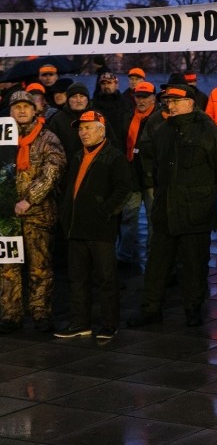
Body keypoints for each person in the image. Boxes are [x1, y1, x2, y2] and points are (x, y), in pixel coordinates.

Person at [127, 84, 217, 328]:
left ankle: (193, 309)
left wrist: (205, 196)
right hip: (165, 209)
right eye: (168, 101)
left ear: (190, 102)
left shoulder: (208, 130)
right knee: (157, 264)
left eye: (175, 101)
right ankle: (151, 309)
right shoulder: (163, 130)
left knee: (194, 265)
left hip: (195, 212)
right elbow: (154, 165)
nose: (170, 105)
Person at [56, 110, 130, 339]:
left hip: (100, 229)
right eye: (81, 129)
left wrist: (105, 211)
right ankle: (80, 323)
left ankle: (109, 324)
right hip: (76, 227)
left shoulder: (114, 156)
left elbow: (123, 189)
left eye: (88, 128)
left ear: (101, 130)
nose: (83, 132)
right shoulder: (78, 155)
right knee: (78, 278)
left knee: (106, 278)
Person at [1, 91, 66, 335]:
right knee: (7, 266)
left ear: (35, 110)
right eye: (16, 107)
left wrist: (29, 199)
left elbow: (53, 170)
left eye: (26, 107)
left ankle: (40, 314)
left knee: (40, 266)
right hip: (6, 216)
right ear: (10, 111)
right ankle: (10, 315)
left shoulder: (48, 137)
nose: (21, 111)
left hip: (38, 213)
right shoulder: (2, 137)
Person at [116, 81, 158, 272]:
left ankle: (153, 258)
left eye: (145, 96)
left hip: (150, 176)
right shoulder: (127, 117)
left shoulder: (159, 120)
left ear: (153, 98)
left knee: (153, 218)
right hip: (131, 174)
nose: (141, 100)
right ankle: (125, 256)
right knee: (129, 216)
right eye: (138, 96)